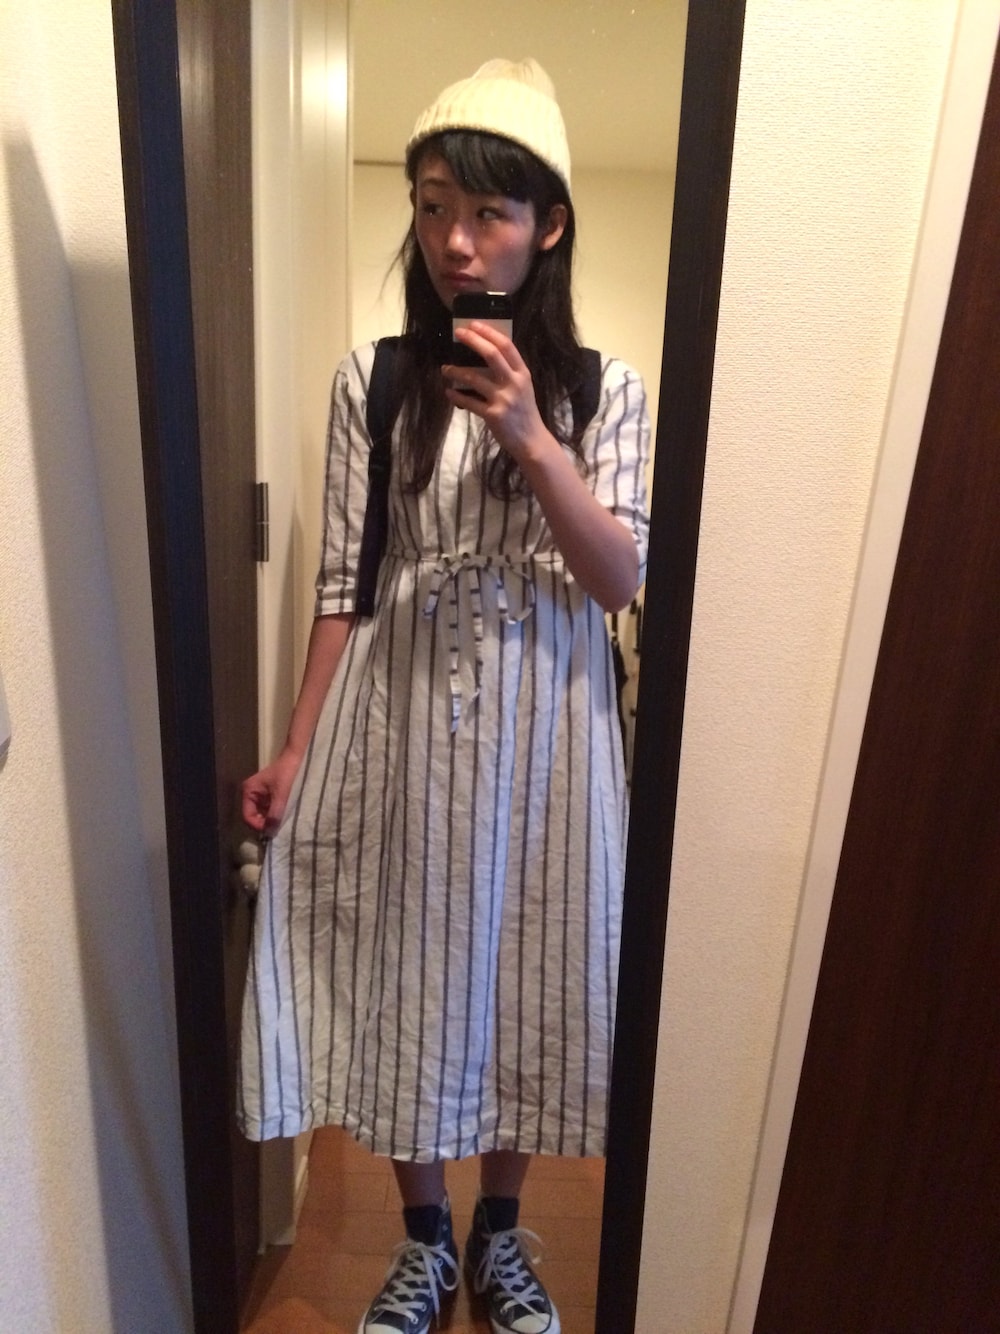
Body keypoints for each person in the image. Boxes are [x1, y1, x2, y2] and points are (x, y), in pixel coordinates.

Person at [239, 57, 650, 1334]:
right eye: (431, 209)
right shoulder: (371, 382)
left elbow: (618, 577)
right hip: (407, 724)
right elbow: (342, 580)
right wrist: (295, 746)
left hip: (552, 738)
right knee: (412, 966)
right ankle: (422, 1240)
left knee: (532, 955)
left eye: (486, 213)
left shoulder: (605, 388)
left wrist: (531, 432)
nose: (455, 242)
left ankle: (499, 1229)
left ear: (549, 224)